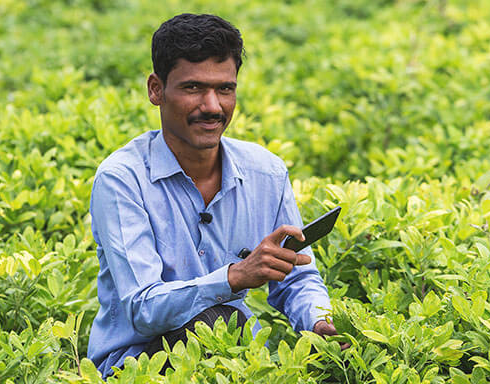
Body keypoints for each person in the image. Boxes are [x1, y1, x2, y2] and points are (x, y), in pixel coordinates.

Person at [87, 13, 342, 379]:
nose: (212, 106)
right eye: (193, 88)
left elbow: (297, 279)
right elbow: (142, 309)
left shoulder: (266, 172)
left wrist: (320, 323)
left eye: (225, 89)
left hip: (234, 356)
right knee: (219, 318)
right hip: (136, 366)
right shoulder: (122, 179)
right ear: (156, 89)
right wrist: (234, 277)